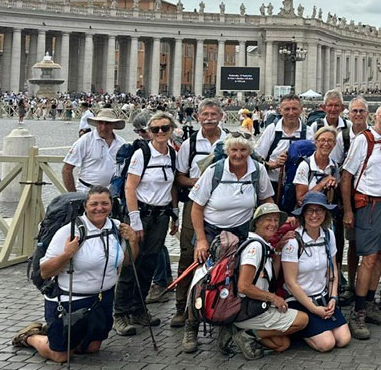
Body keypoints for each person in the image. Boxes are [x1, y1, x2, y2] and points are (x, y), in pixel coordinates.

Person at [12, 186, 139, 363]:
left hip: (102, 299)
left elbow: (126, 262)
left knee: (92, 348)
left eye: (105, 203)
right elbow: (45, 272)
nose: (99, 208)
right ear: (85, 206)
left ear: (111, 205)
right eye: (94, 204)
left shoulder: (117, 228)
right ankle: (30, 337)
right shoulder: (69, 231)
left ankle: (62, 337)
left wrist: (133, 241)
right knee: (61, 356)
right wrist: (67, 254)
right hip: (71, 300)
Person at [185, 132, 275, 352]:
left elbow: (267, 199)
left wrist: (275, 223)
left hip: (241, 234)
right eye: (234, 150)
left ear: (250, 152)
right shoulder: (214, 171)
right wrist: (201, 241)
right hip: (212, 233)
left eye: (243, 150)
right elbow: (196, 208)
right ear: (227, 151)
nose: (238, 154)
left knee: (233, 281)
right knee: (202, 280)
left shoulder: (258, 171)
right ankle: (191, 325)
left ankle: (227, 324)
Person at [112, 112, 178, 336]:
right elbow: (130, 187)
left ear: (171, 130)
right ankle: (120, 313)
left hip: (161, 216)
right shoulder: (142, 154)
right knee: (131, 263)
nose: (160, 132)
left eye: (165, 128)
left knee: (149, 263)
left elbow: (172, 185)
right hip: (141, 214)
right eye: (155, 129)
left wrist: (175, 213)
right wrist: (135, 221)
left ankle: (138, 309)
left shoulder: (172, 153)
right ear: (149, 132)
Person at [340, 104, 381, 340]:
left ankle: (370, 303)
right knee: (369, 258)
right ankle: (358, 312)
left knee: (380, 255)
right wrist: (348, 211)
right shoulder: (363, 140)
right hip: (369, 205)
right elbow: (346, 176)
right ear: (375, 117)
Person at [172, 99, 227, 337]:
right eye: (205, 114)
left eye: (213, 114)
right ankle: (181, 307)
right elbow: (179, 177)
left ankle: (219, 305)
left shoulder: (229, 140)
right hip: (194, 203)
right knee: (188, 254)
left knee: (225, 256)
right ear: (198, 117)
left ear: (221, 116)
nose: (209, 118)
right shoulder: (189, 143)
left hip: (222, 205)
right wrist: (200, 182)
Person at [231, 203, 308, 359]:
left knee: (282, 344)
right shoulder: (255, 247)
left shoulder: (262, 244)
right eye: (268, 220)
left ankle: (238, 332)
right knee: (302, 320)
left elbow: (272, 277)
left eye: (275, 220)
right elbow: (243, 286)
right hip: (248, 308)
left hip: (252, 307)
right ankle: (247, 334)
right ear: (256, 223)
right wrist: (273, 298)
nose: (273, 224)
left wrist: (278, 249)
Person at [282, 192, 351, 352]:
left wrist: (333, 298)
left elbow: (332, 270)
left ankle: (314, 328)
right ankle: (298, 330)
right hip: (299, 301)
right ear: (303, 214)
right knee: (327, 344)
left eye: (319, 210)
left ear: (325, 213)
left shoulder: (328, 235)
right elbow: (290, 283)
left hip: (323, 298)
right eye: (310, 211)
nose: (314, 215)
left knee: (343, 339)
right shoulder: (293, 241)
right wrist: (313, 309)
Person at [329, 97, 369, 305]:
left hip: (369, 196)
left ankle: (372, 287)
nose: (358, 115)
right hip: (348, 197)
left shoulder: (375, 135)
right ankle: (349, 284)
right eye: (355, 111)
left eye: (362, 111)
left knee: (374, 245)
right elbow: (334, 165)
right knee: (349, 243)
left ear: (367, 114)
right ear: (349, 114)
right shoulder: (341, 137)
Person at [256, 94, 306, 200]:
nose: (291, 113)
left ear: (301, 109)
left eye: (294, 109)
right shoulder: (271, 130)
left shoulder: (308, 132)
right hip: (273, 186)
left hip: (300, 187)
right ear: (280, 110)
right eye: (287, 109)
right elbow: (257, 160)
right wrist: (274, 164)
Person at [62, 108, 126, 192]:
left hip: (111, 193)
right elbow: (66, 169)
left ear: (114, 125)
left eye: (108, 123)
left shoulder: (121, 143)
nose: (103, 127)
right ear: (96, 124)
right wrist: (73, 195)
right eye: (100, 123)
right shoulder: (85, 140)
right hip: (86, 191)